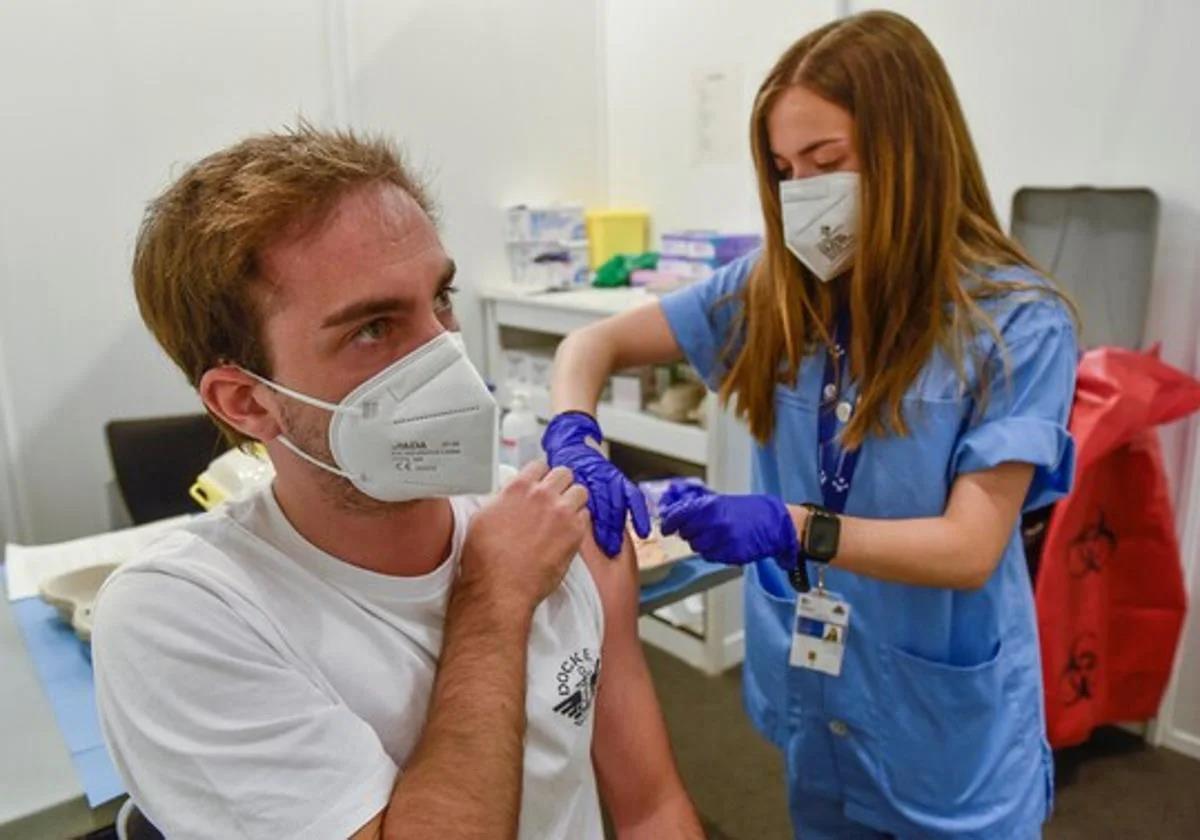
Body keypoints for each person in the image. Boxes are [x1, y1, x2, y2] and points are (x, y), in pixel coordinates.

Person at [545, 11, 1077, 840]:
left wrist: (789, 526)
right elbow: (593, 342)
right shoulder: (773, 291)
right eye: (786, 170)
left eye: (826, 163)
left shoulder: (1015, 324)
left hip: (942, 721)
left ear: (912, 150)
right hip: (818, 694)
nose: (804, 194)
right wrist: (575, 434)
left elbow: (971, 548)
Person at [92, 125, 703, 840]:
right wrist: (495, 595)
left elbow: (650, 810)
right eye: (373, 329)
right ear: (248, 401)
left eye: (439, 299)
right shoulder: (178, 617)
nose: (447, 359)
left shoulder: (554, 530)